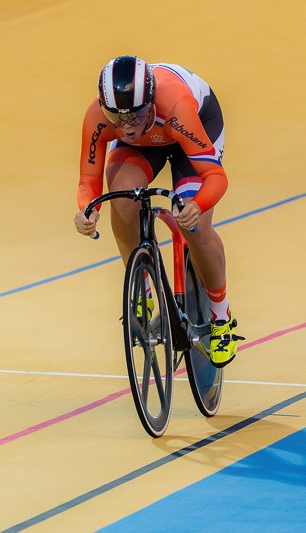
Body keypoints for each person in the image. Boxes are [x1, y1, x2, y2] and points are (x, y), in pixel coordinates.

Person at [73, 55, 242, 367]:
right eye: (116, 118)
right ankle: (142, 288)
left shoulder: (177, 106)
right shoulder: (99, 117)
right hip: (148, 142)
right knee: (122, 203)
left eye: (135, 117)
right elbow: (88, 181)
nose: (126, 127)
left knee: (195, 226)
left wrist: (198, 205)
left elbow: (216, 178)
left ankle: (222, 316)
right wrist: (86, 210)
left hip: (193, 127)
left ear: (150, 103)